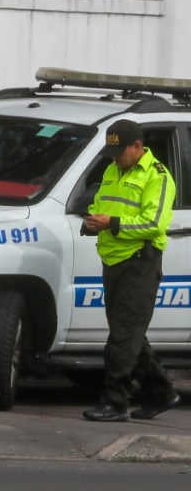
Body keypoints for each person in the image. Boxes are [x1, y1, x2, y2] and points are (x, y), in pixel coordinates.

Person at [81, 119, 181, 422]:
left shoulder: (158, 177)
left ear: (137, 147)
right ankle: (163, 393)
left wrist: (111, 223)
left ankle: (115, 402)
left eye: (120, 151)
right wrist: (92, 221)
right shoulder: (113, 169)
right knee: (130, 335)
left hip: (140, 263)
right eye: (111, 151)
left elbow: (154, 224)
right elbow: (101, 203)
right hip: (113, 260)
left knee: (122, 339)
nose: (114, 157)